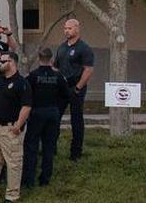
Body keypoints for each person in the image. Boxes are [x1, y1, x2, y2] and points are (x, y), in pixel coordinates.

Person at [0, 52, 32, 202]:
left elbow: (26, 106)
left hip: (12, 129)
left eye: (3, 61)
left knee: (13, 162)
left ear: (12, 62)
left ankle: (12, 195)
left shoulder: (21, 83)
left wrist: (18, 126)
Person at [22, 47, 71, 188]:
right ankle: (45, 179)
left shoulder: (32, 76)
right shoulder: (59, 77)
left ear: (38, 59)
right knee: (49, 147)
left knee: (31, 146)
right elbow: (67, 95)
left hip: (36, 113)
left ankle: (29, 180)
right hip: (52, 113)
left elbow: (26, 95)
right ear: (51, 60)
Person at [53, 18, 94, 161]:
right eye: (65, 28)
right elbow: (55, 67)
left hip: (76, 87)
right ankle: (51, 149)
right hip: (61, 88)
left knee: (76, 120)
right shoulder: (62, 47)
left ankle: (75, 153)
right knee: (54, 118)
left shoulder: (84, 48)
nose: (66, 31)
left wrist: (78, 87)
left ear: (77, 28)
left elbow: (88, 70)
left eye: (69, 28)